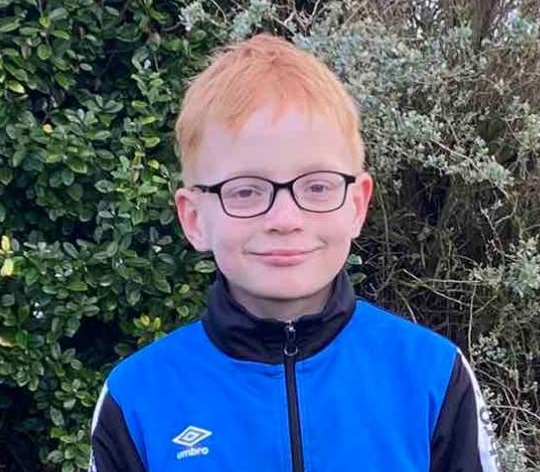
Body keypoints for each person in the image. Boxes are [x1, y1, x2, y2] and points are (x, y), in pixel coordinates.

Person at [89, 34, 501, 472]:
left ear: (357, 205)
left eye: (317, 186)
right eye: (245, 190)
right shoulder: (137, 399)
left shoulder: (431, 375)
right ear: (194, 218)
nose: (285, 218)